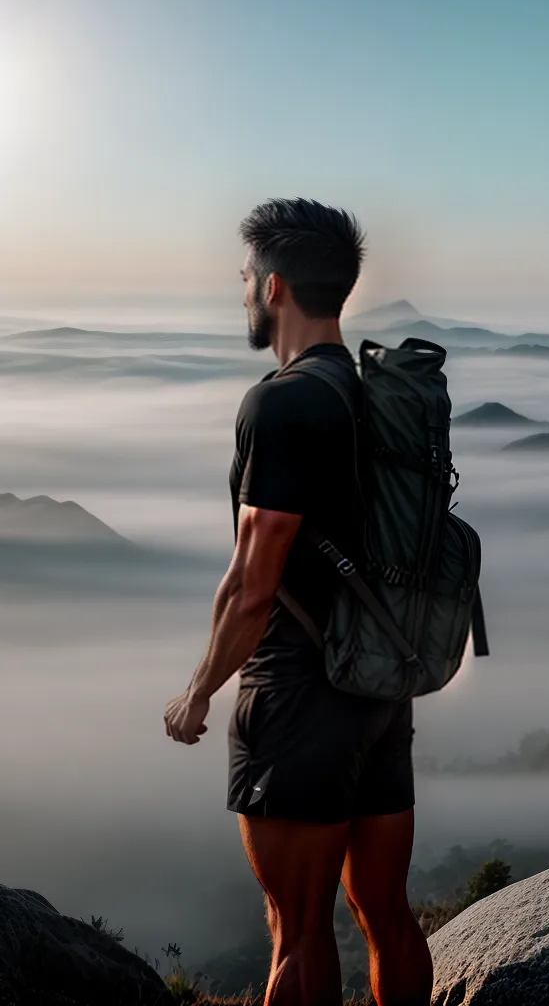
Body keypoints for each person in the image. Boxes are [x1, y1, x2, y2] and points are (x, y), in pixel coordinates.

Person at [163, 197, 433, 1006]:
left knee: (298, 928)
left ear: (274, 287)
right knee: (385, 912)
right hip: (380, 684)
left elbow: (253, 582)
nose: (242, 292)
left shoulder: (281, 404)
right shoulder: (373, 393)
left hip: (298, 696)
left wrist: (198, 691)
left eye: (245, 278)